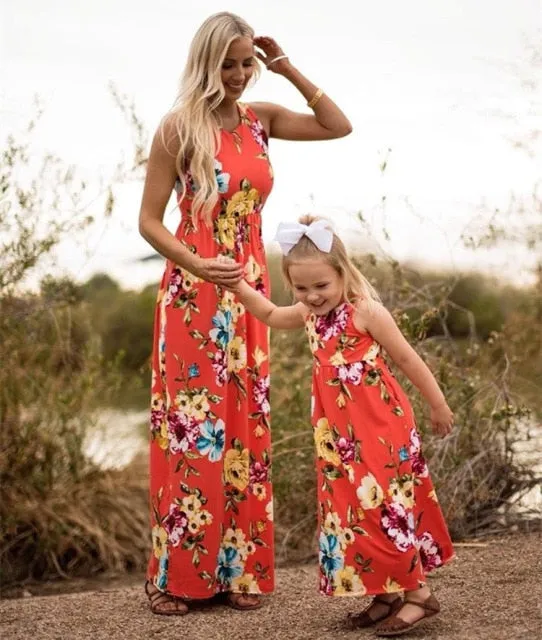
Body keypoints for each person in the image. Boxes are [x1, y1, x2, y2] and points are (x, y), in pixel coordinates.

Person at [138, 11, 352, 616]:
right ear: (206, 63)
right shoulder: (178, 128)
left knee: (241, 425)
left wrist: (286, 68)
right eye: (227, 64)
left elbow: (339, 126)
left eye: (245, 63)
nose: (237, 75)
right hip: (193, 293)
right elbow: (149, 220)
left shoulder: (262, 120)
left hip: (252, 291)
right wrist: (198, 264)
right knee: (189, 432)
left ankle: (236, 570)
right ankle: (175, 576)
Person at [227, 216, 455, 637]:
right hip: (337, 435)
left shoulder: (365, 312)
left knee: (383, 506)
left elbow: (407, 359)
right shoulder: (308, 313)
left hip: (380, 426)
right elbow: (272, 314)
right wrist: (238, 286)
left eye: (321, 286)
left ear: (342, 274)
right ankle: (386, 591)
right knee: (351, 509)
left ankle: (419, 595)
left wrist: (438, 405)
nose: (312, 296)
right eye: (302, 288)